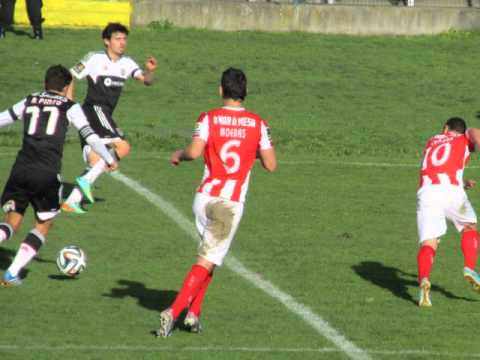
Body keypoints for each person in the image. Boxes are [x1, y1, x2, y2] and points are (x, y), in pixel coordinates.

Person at [155, 67, 277, 337]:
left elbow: (195, 152)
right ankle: (173, 312)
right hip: (229, 204)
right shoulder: (259, 124)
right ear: (245, 92)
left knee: (211, 258)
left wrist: (179, 153)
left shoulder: (208, 117)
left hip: (204, 197)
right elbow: (271, 164)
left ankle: (194, 315)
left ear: (221, 90)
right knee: (208, 259)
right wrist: (251, 152)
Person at [0, 65, 118, 286]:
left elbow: (2, 119)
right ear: (66, 87)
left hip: (20, 169)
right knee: (43, 224)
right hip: (46, 173)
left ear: (45, 84)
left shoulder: (30, 100)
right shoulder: (69, 106)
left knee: (11, 223)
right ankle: (11, 273)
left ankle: (11, 268)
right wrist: (109, 159)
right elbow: (91, 137)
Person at [61, 22, 157, 214]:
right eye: (117, 39)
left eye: (124, 39)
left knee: (96, 160)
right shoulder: (94, 58)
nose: (122, 43)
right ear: (107, 41)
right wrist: (69, 103)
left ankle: (71, 202)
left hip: (103, 114)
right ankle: (85, 181)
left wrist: (151, 70)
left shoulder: (127, 63)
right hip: (93, 110)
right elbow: (70, 75)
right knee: (123, 146)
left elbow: (146, 81)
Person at [417, 117, 480, 307]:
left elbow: (439, 170)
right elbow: (475, 133)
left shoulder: (432, 141)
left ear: (445, 128)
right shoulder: (463, 138)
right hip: (454, 195)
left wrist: (462, 182)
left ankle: (424, 281)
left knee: (430, 242)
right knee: (469, 226)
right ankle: (469, 268)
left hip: (428, 194)